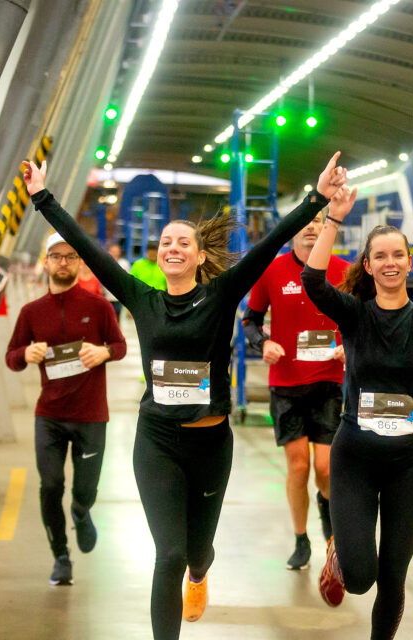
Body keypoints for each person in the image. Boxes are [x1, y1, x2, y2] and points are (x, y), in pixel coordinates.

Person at [24, 152, 346, 640]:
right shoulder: (141, 298)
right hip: (156, 442)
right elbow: (89, 250)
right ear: (159, 254)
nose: (172, 247)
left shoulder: (221, 295)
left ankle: (201, 574)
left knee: (197, 554)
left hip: (210, 444)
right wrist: (42, 199)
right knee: (168, 554)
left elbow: (270, 242)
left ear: (198, 256)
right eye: (165, 242)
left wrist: (317, 199)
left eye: (183, 242)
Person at [304, 167, 413, 639]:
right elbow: (314, 282)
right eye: (379, 256)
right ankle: (340, 553)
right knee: (361, 578)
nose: (390, 262)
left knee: (393, 578)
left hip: (407, 463)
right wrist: (333, 220)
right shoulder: (355, 317)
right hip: (355, 458)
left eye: (398, 254)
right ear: (368, 265)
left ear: (409, 262)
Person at [5, 232, 127, 586]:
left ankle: (81, 510)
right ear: (46, 263)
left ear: (79, 263)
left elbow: (119, 345)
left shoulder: (98, 306)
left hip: (91, 416)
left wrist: (103, 352)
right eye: (56, 257)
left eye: (70, 257)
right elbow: (12, 357)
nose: (63, 262)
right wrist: (24, 355)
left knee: (84, 491)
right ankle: (60, 556)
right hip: (50, 416)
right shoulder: (32, 312)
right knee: (50, 485)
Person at [241, 209, 349, 570]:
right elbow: (251, 320)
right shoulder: (273, 271)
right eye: (303, 224)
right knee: (299, 466)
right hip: (286, 384)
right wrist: (262, 344)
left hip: (327, 380)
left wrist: (351, 345)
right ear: (291, 233)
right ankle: (301, 540)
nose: (310, 228)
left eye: (317, 222)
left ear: (326, 227)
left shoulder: (343, 271)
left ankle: (331, 531)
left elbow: (362, 318)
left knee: (326, 467)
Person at [104, 242, 132, 319]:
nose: (114, 253)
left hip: (118, 298)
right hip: (106, 297)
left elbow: (128, 281)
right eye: (112, 251)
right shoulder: (104, 263)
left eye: (116, 251)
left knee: (116, 319)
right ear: (109, 252)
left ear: (119, 252)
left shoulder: (124, 264)